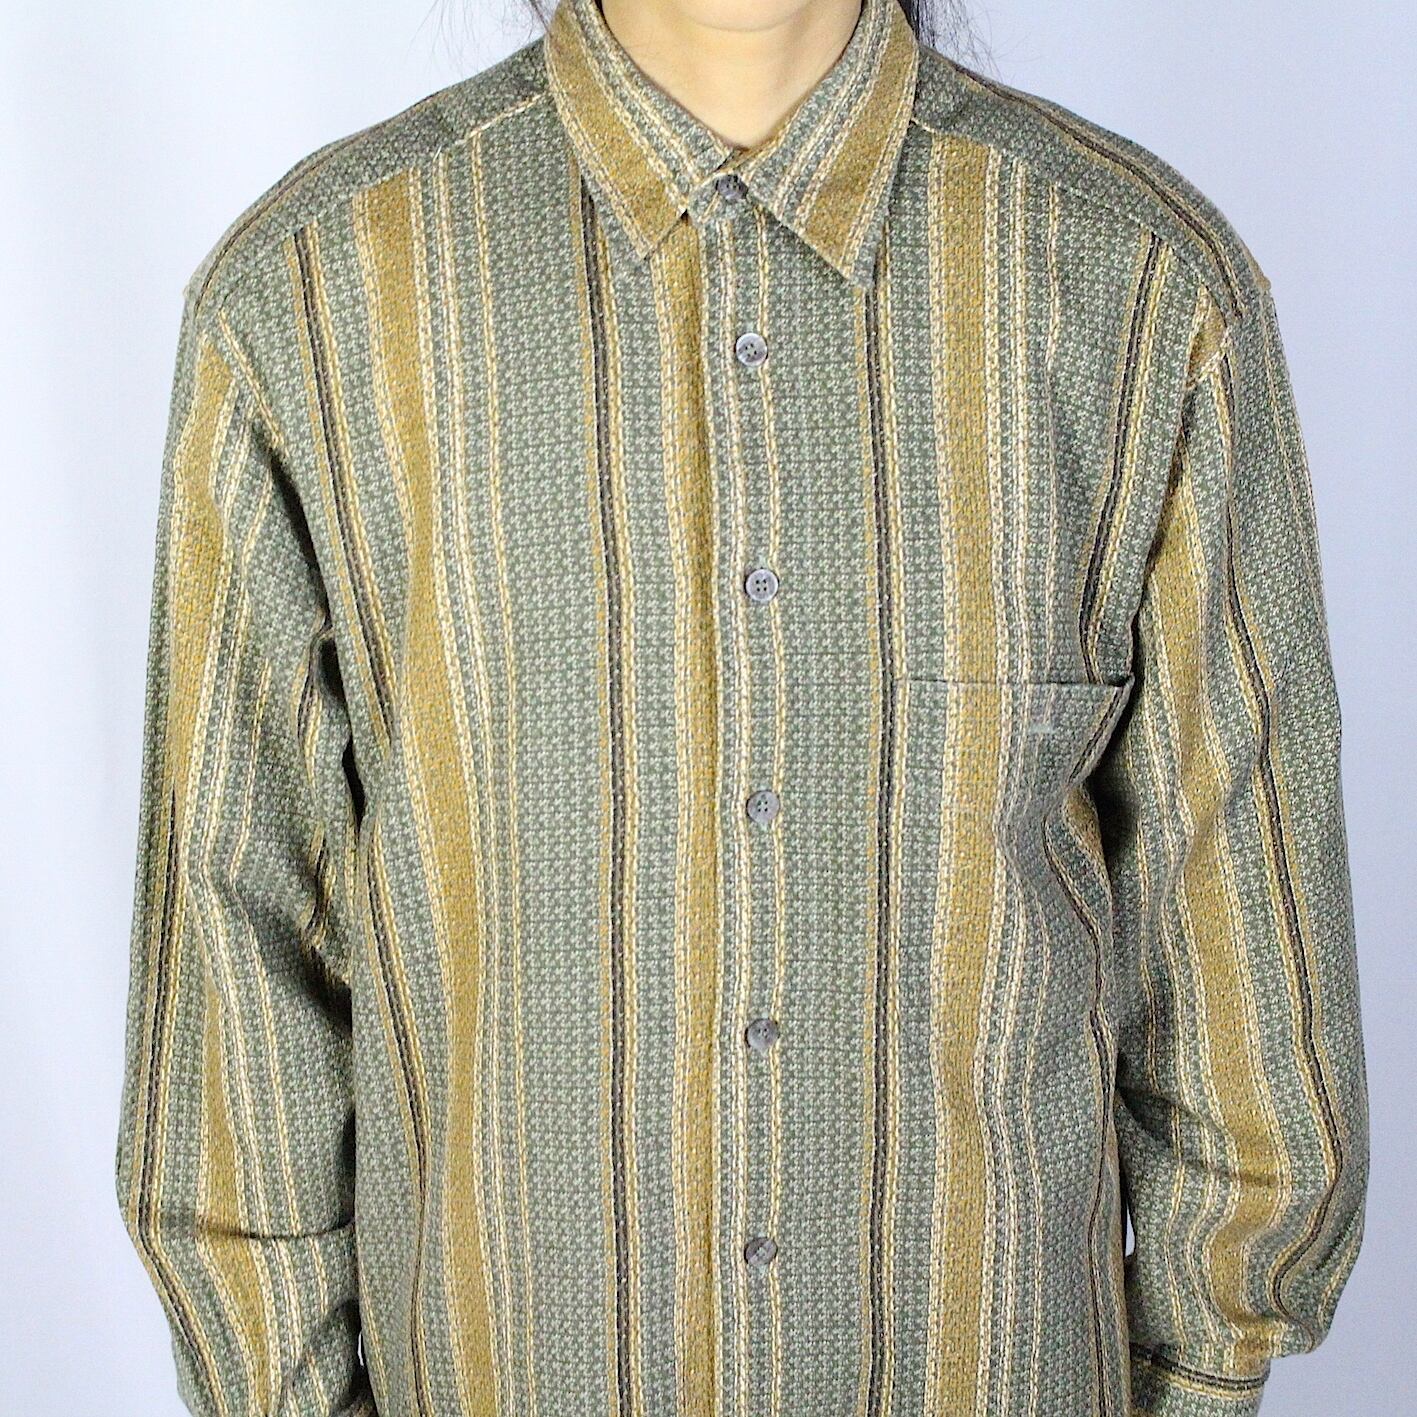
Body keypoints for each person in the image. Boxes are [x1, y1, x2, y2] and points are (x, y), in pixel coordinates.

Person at [113, 0, 1370, 1412]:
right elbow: (235, 951)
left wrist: (1205, 1368)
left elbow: (1238, 912)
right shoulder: (312, 292)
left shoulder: (1138, 286)